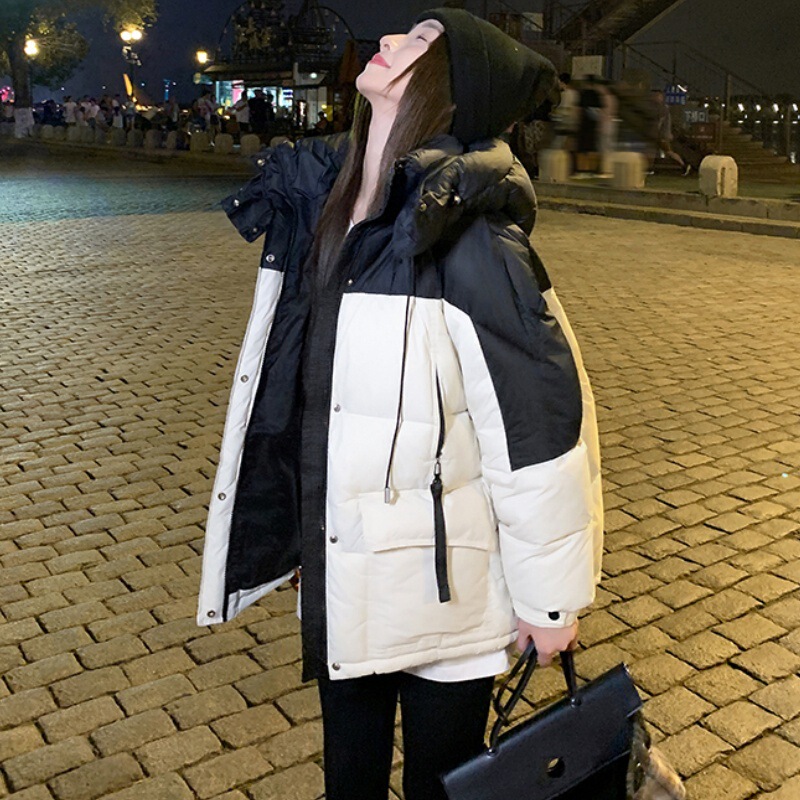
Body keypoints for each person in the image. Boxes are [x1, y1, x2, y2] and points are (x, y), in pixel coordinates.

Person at [197, 8, 603, 800]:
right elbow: (309, 400)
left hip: (447, 599)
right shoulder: (328, 209)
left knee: (438, 789)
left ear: (452, 88)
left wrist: (550, 602)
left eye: (418, 42)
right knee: (347, 783)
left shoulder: (473, 239)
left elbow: (538, 429)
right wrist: (305, 533)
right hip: (348, 575)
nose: (388, 41)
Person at [652, 89, 691, 175]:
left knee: (668, 152)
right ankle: (683, 166)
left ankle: (683, 165)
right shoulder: (662, 108)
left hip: (662, 136)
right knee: (665, 152)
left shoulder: (662, 109)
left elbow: (659, 124)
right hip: (662, 135)